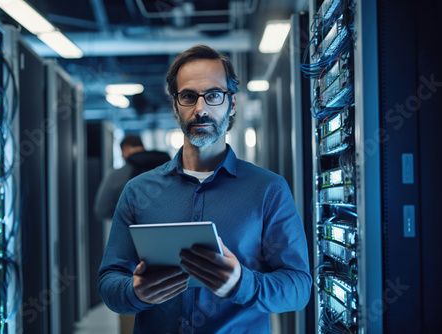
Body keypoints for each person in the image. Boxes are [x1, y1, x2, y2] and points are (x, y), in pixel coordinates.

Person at [98, 45, 311, 333]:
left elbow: (298, 288)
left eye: (213, 95)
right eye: (188, 96)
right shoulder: (138, 191)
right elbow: (110, 280)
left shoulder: (268, 190)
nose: (201, 109)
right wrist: (134, 293)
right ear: (175, 106)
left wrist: (241, 283)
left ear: (231, 104)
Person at [93, 135, 170, 222]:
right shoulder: (167, 167)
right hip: (169, 228)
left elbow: (102, 210)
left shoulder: (116, 175)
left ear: (125, 149)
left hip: (135, 232)